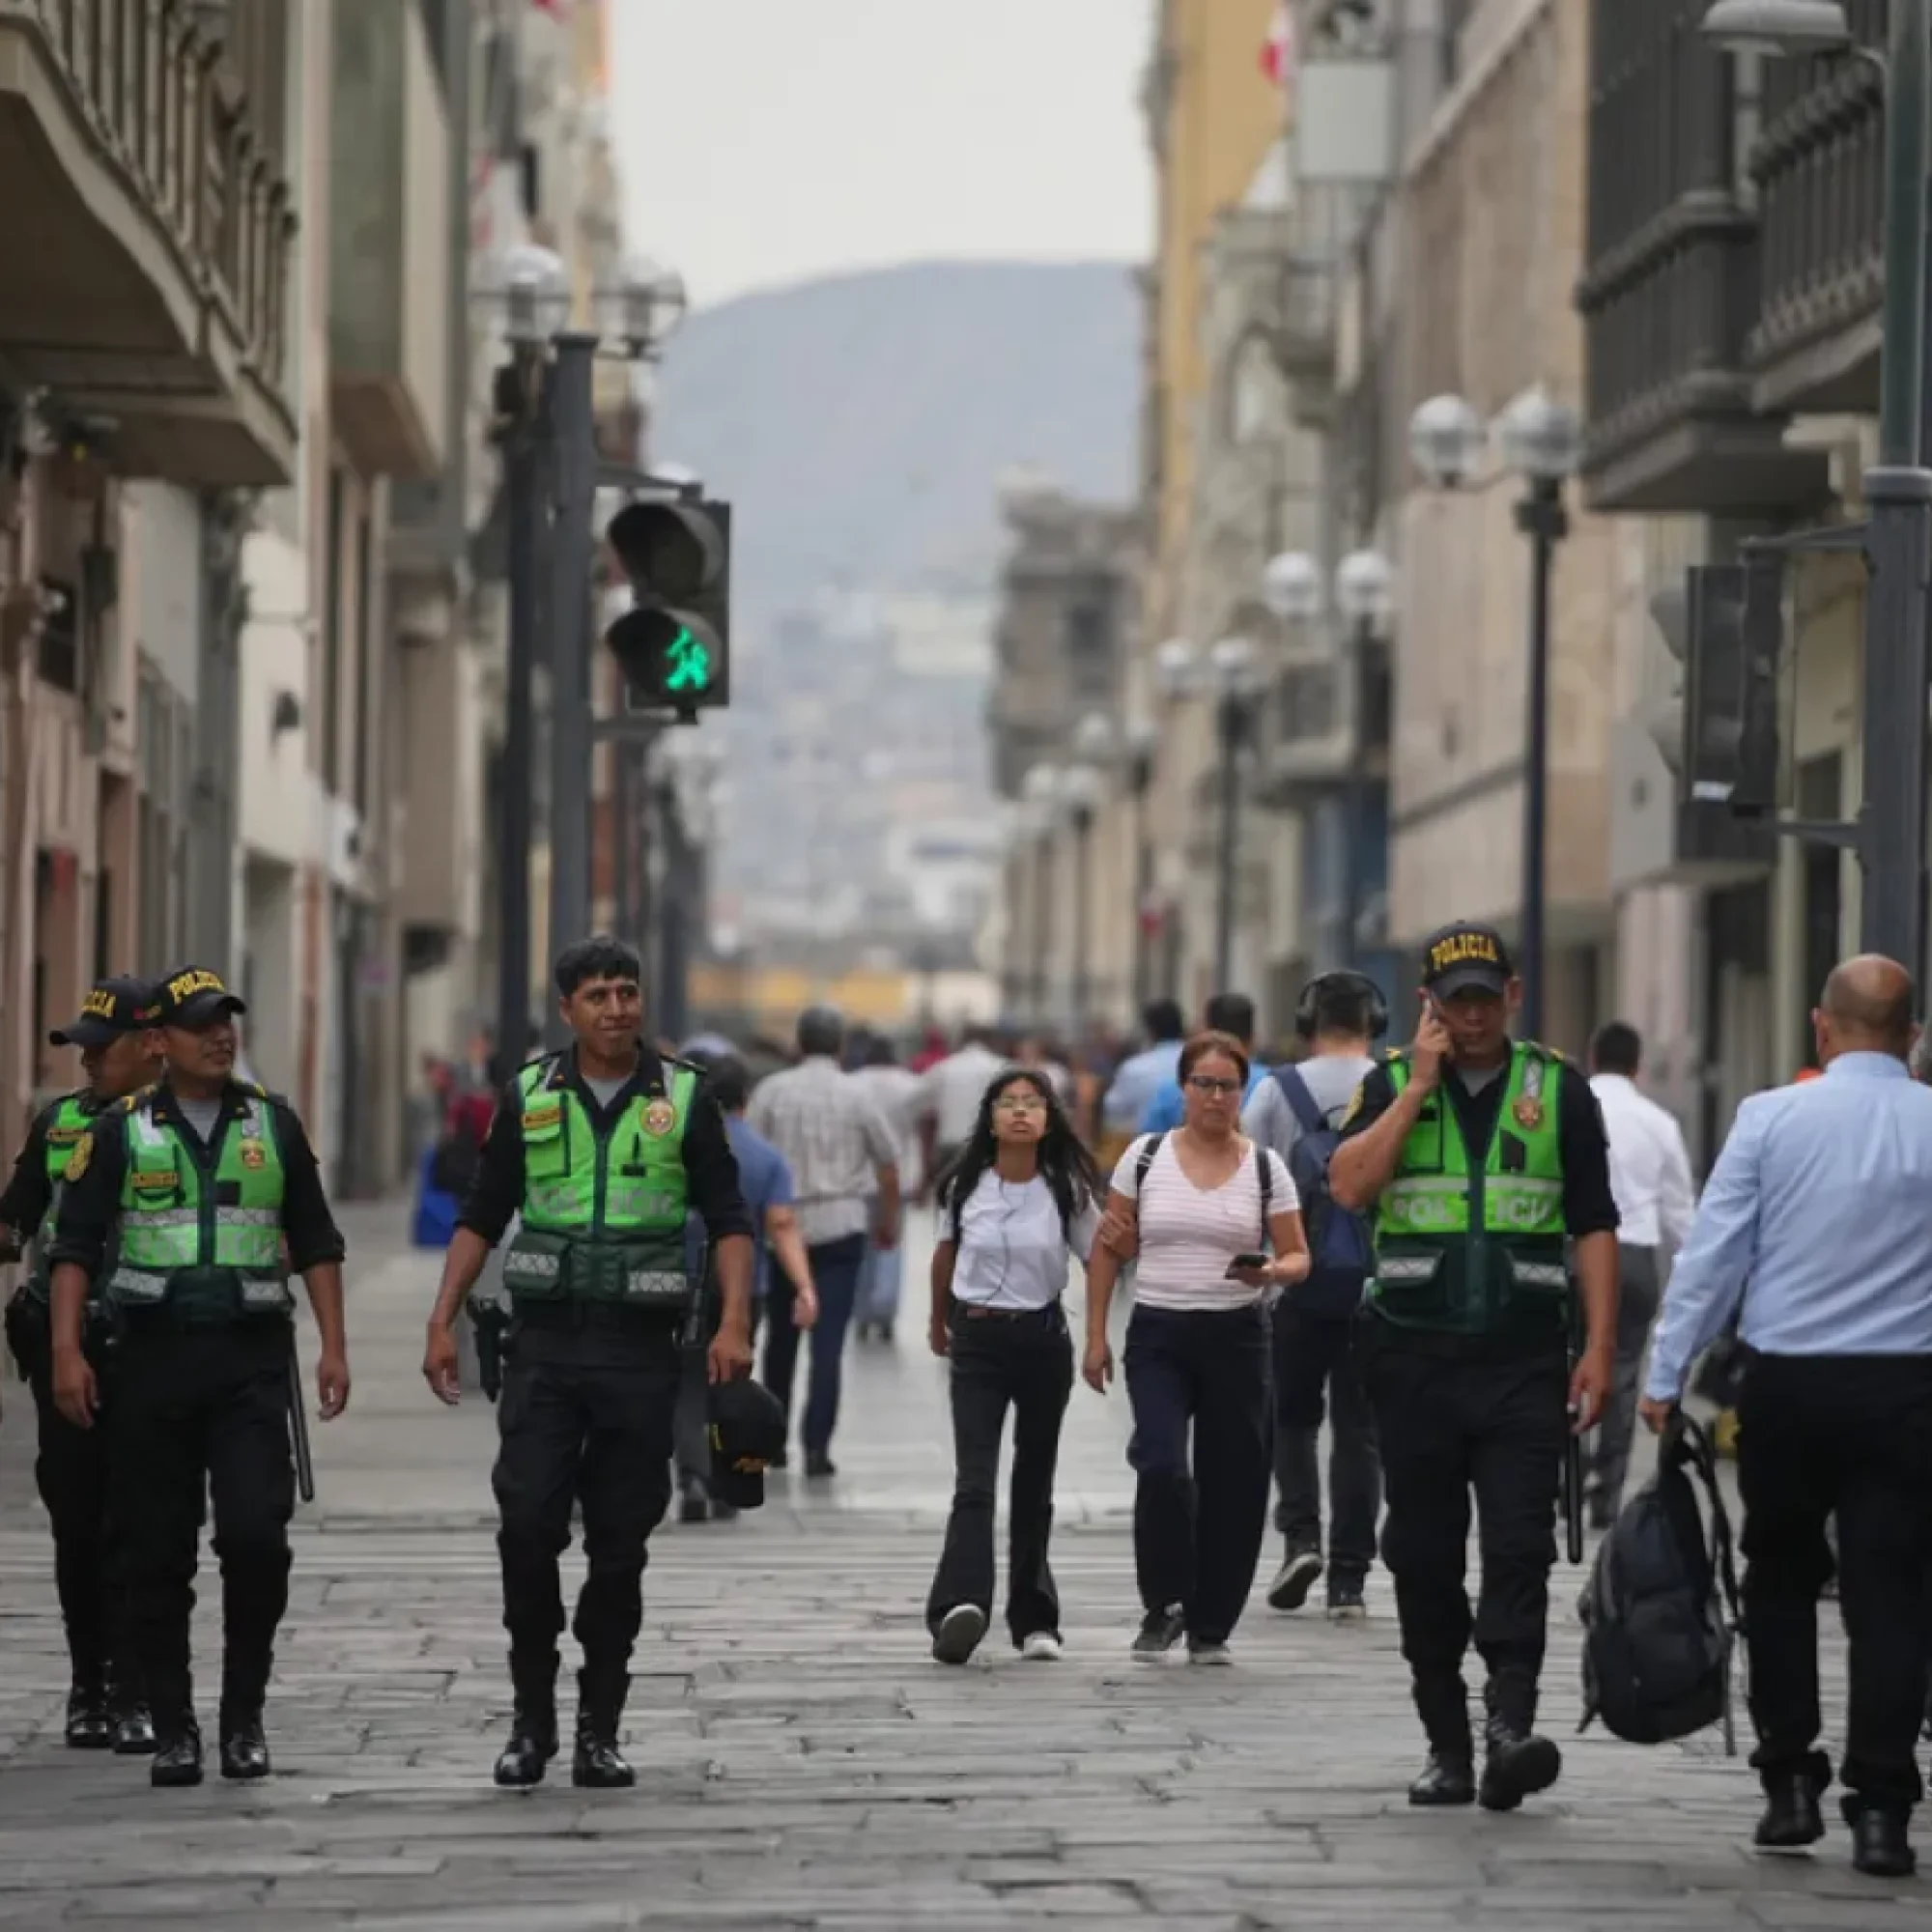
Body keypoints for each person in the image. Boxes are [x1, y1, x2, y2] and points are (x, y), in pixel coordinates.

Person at [421, 935, 755, 1790]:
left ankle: (598, 1728)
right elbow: (483, 1211)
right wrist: (441, 1317)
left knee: (619, 1547)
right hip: (545, 1349)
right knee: (526, 1531)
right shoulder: (529, 1094)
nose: (617, 1008)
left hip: (639, 1353)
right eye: (599, 995)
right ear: (567, 1008)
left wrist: (734, 1325)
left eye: (627, 992)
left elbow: (728, 1218)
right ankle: (530, 1721)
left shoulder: (685, 1098)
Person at [1638, 955, 1932, 1880]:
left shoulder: (1769, 1119)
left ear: (1822, 1027)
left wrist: (1662, 1374)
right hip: (1907, 1392)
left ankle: (1789, 1788)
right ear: (1912, 1034)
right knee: (1894, 1599)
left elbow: (1714, 1259)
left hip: (1788, 1389)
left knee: (1779, 1581)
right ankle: (1882, 1810)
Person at [1328, 923, 1616, 1812]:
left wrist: (1601, 1349)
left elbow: (1595, 1223)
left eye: (1490, 996)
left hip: (1525, 1362)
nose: (1477, 1013)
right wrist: (1415, 1086)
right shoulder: (1385, 1083)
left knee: (1523, 1545)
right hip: (1412, 1360)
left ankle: (1510, 1725)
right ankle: (1446, 1741)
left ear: (1516, 994)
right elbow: (1348, 1186)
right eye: (1459, 1000)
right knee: (1421, 1555)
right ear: (1430, 1006)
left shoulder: (1560, 1089)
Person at [46, 965, 352, 1789]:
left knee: (257, 1538)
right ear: (158, 1044)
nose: (221, 1036)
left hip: (249, 1364)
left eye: (227, 1022)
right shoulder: (118, 1133)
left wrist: (333, 1346)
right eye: (200, 1025)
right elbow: (73, 1249)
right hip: (150, 1364)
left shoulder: (275, 1126)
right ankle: (175, 1725)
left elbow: (317, 1242)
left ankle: (242, 1717)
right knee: (157, 1551)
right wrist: (67, 1352)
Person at [1082, 1032, 1308, 1662]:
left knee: (1233, 1481)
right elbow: (1108, 1246)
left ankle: (1212, 1622)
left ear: (1243, 1093)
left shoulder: (1266, 1168)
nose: (1214, 1096)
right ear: (1182, 1089)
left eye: (1227, 1085)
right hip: (1159, 1331)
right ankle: (1166, 1603)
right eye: (1202, 1083)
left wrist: (1270, 1270)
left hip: (1236, 1337)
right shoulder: (1145, 1158)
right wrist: (1095, 1336)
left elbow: (1298, 1255)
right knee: (1161, 1466)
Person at [0, 975, 162, 1754]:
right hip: (64, 1348)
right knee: (75, 1522)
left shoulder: (184, 1125)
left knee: (139, 1519)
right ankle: (87, 1683)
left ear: (149, 1048)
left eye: (103, 1049)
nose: (88, 1062)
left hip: (150, 1347)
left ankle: (137, 1688)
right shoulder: (59, 1123)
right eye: (81, 1049)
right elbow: (17, 1216)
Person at [925, 1068, 1101, 1666]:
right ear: (990, 1116)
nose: (1021, 1113)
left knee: (1034, 1482)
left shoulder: (1065, 1188)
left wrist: (1099, 1333)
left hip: (1043, 1340)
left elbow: (1100, 1257)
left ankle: (1034, 1618)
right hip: (977, 1340)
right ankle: (960, 1604)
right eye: (1009, 1103)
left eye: (1033, 1103)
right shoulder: (963, 1185)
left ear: (1049, 1117)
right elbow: (944, 1255)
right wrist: (935, 1320)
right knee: (974, 1480)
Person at [1240, 970, 1386, 1618]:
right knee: (1362, 1431)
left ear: (1308, 1023)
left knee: (1293, 1419)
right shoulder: (1399, 1085)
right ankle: (1350, 1579)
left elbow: (1248, 1182)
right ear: (1373, 1023)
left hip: (1296, 1284)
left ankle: (1302, 1537)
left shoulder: (1278, 1090)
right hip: (1380, 1286)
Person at [746, 1007, 900, 1476]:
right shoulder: (859, 1095)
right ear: (839, 1046)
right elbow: (888, 1162)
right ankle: (816, 1448)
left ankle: (773, 1444)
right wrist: (887, 1219)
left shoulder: (772, 1092)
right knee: (828, 1344)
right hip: (842, 1224)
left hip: (782, 1226)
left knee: (780, 1338)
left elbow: (750, 1155)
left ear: (798, 1043)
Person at [674, 1053, 817, 1522]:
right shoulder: (767, 1156)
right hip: (741, 1288)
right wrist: (803, 1285)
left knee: (688, 1383)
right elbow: (781, 1223)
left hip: (676, 1278)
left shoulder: (675, 1147)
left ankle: (691, 1476)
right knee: (728, 1383)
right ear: (745, 1099)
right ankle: (724, 1481)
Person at [1584, 1020, 1695, 1527]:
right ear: (1637, 1067)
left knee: (1560, 1362)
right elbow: (1680, 1214)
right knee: (1624, 1372)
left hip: (1576, 1253)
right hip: (1635, 1257)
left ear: (1592, 1060)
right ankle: (1606, 1492)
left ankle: (1564, 1476)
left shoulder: (1570, 1106)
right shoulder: (1658, 1122)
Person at [851, 1035, 923, 1343]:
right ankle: (886, 1312)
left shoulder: (853, 1083)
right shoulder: (910, 1084)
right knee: (891, 1242)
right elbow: (922, 1126)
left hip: (859, 1177)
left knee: (862, 1249)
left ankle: (863, 1313)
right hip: (901, 1173)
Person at [1139, 993, 1267, 1131]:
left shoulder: (1174, 1089)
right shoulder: (1272, 1087)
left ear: (1204, 1032)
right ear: (1253, 1037)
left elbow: (1152, 1143)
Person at [914, 1025, 1011, 1189]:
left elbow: (925, 1113)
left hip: (949, 1144)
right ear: (991, 1042)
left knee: (951, 1201)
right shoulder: (1002, 1067)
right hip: (988, 1146)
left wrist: (926, 1164)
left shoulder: (942, 1068)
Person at [1096, 999, 1186, 1169]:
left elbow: (1114, 1115)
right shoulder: (1200, 1062)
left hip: (1147, 1160)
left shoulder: (1135, 1068)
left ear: (1150, 1030)